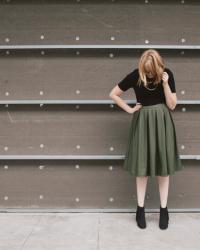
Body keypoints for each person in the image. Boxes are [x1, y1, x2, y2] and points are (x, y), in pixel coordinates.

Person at [109, 49, 184, 230]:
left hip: (163, 122)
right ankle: (140, 209)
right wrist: (129, 109)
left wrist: (165, 84)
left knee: (163, 168)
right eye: (146, 70)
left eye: (152, 70)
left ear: (158, 65)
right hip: (143, 123)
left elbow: (172, 105)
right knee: (142, 168)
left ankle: (164, 210)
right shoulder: (136, 75)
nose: (149, 73)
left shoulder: (167, 74)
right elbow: (113, 93)